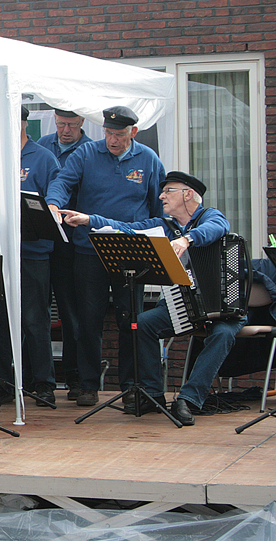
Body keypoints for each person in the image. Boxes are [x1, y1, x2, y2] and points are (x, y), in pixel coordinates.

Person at [60, 171, 230, 425]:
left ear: (188, 194)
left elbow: (219, 227)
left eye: (168, 191)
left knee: (223, 333)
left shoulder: (210, 216)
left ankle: (189, 398)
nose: (161, 196)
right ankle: (152, 395)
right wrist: (89, 220)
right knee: (141, 325)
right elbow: (126, 228)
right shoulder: (164, 226)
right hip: (183, 304)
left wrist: (187, 239)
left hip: (223, 307)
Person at [45, 105, 166, 407]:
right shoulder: (86, 154)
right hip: (90, 251)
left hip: (132, 253)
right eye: (108, 133)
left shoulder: (149, 160)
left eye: (119, 134)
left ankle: (132, 386)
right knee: (88, 321)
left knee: (131, 320)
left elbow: (160, 209)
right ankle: (88, 385)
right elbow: (63, 182)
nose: (112, 140)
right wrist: (53, 204)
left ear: (133, 132)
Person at [0, 107, 60, 407]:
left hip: (32, 254)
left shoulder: (44, 159)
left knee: (34, 321)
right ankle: (1, 380)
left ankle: (43, 383)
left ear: (24, 124)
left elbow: (53, 202)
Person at [37, 109, 93, 399]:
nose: (65, 130)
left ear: (82, 123)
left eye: (71, 124)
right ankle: (38, 379)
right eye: (60, 124)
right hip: (43, 241)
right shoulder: (42, 146)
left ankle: (75, 378)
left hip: (73, 242)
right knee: (37, 312)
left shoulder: (90, 151)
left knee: (72, 312)